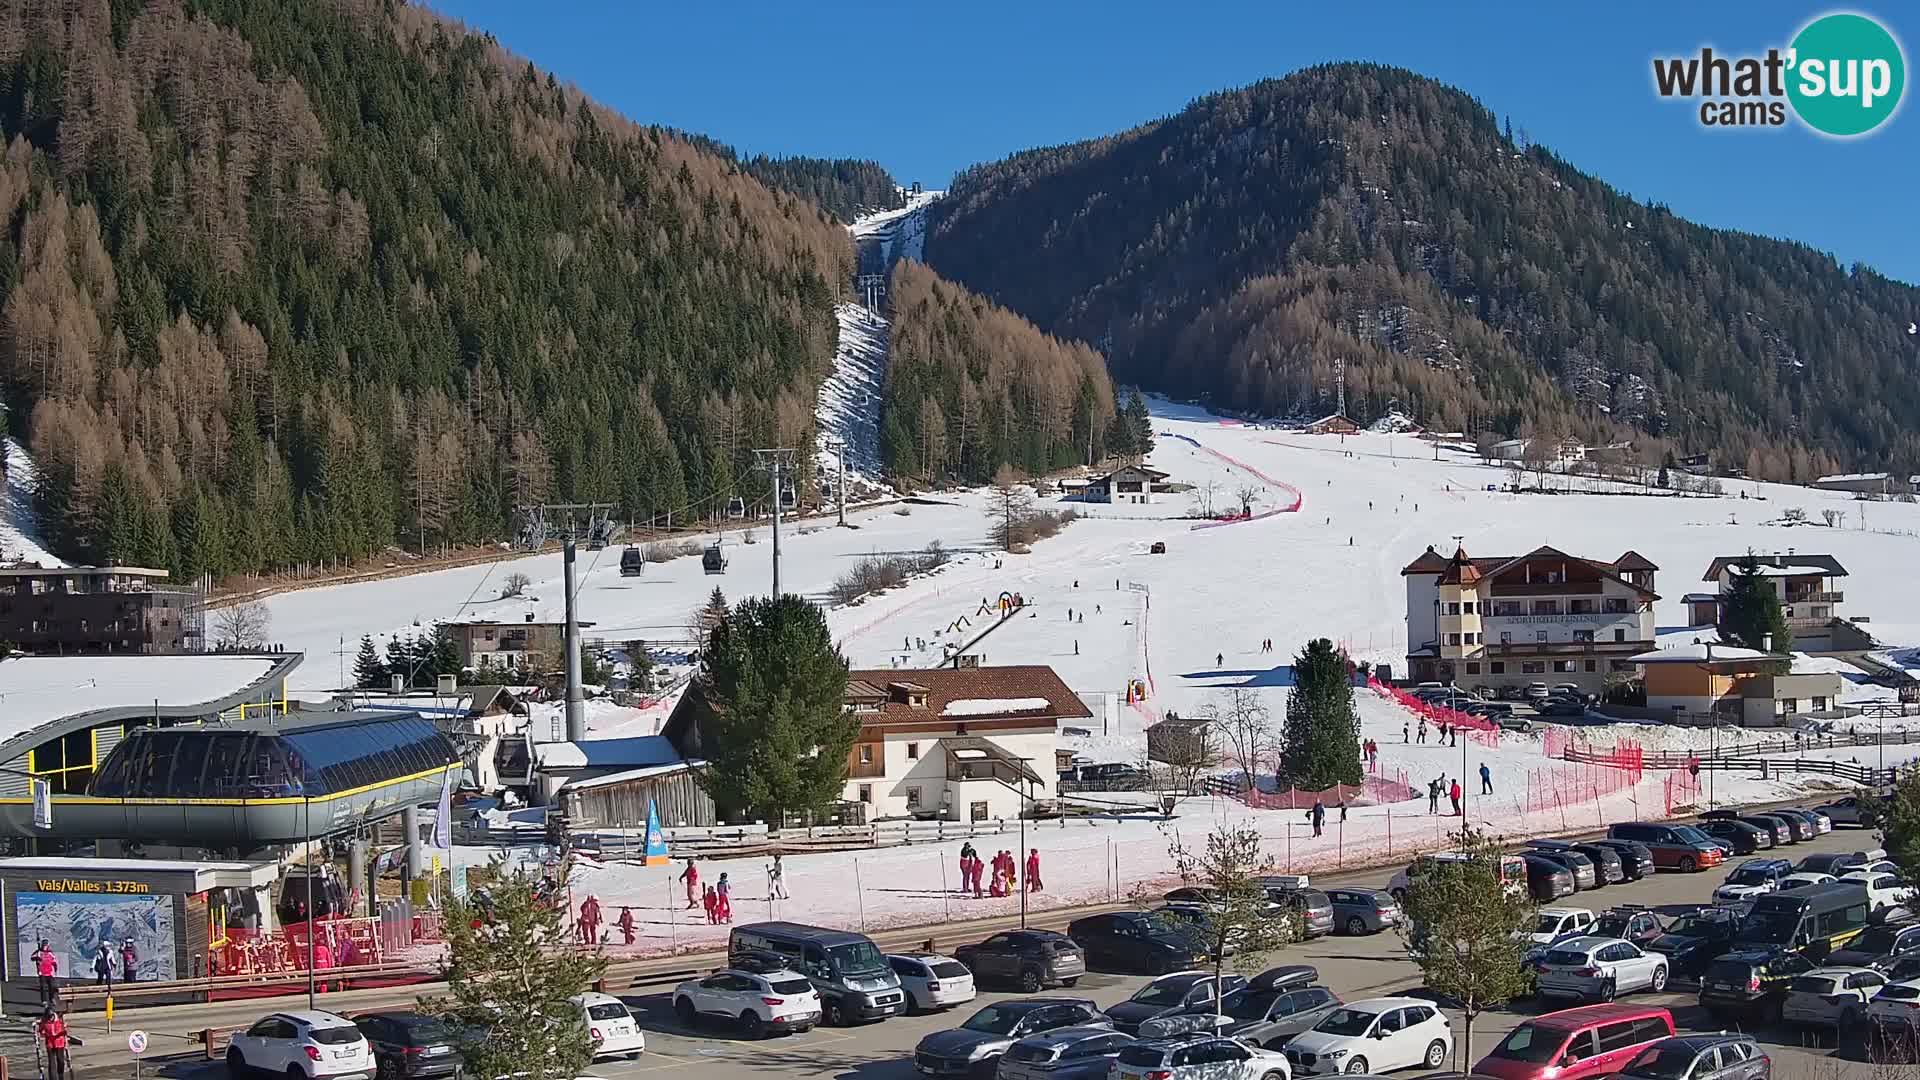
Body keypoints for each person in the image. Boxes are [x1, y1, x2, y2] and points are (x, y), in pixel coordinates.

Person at [39, 1005, 76, 1080]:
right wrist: (42, 1032)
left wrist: (64, 1031)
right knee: (52, 1062)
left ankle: (60, 1075)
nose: (50, 1019)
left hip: (59, 1043)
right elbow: (41, 1030)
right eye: (48, 1017)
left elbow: (64, 1030)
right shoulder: (44, 1021)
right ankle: (53, 1078)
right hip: (50, 1043)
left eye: (51, 1017)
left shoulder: (59, 1020)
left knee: (60, 1060)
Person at [31, 938, 58, 1003]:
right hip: (42, 972)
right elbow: (32, 957)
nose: (44, 947)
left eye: (46, 945)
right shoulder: (39, 952)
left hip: (49, 972)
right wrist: (37, 958)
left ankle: (51, 998)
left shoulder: (50, 953)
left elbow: (54, 960)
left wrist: (55, 966)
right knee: (43, 987)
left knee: (51, 986)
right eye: (43, 945)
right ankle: (44, 1000)